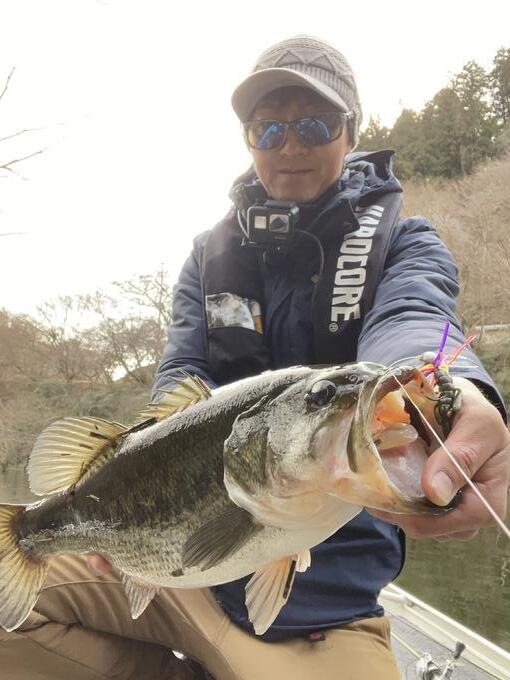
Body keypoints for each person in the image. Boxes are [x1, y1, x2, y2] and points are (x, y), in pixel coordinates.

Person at [1, 35, 509, 680]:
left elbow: (414, 318)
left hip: (327, 612)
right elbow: (182, 375)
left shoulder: (406, 243)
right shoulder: (207, 256)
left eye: (315, 124)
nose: (289, 145)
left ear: (351, 132)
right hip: (184, 581)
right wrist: (125, 509)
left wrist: (454, 391)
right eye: (267, 129)